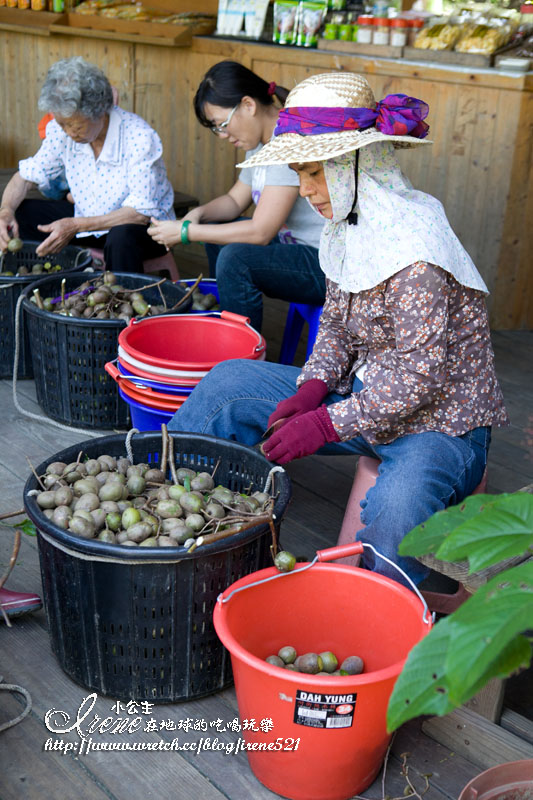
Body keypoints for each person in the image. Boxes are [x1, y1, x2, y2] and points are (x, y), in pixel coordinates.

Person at [166, 72, 509, 587]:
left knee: (394, 521)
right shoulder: (345, 227)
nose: (305, 191)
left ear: (357, 166)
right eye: (299, 174)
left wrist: (326, 424)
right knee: (225, 387)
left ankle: (385, 623)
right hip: (365, 396)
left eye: (314, 174)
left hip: (441, 423)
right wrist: (311, 389)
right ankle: (173, 521)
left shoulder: (417, 248)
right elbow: (337, 330)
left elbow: (419, 379)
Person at [147, 61, 326, 333]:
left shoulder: (287, 142)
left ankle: (241, 351)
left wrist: (188, 233)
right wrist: (197, 216)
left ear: (248, 105)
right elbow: (234, 201)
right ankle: (229, 324)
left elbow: (260, 232)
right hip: (296, 248)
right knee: (217, 233)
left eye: (223, 124)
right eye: (216, 128)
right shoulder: (260, 142)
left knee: (235, 259)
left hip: (324, 261)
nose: (222, 135)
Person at [0, 57, 174, 272]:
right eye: (63, 124)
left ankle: (119, 299)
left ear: (100, 111)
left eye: (76, 125)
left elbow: (139, 214)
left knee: (121, 236)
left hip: (144, 232)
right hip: (86, 223)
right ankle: (40, 283)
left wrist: (75, 225)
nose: (69, 132)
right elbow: (25, 177)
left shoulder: (138, 137)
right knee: (21, 214)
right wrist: (6, 211)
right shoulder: (62, 132)